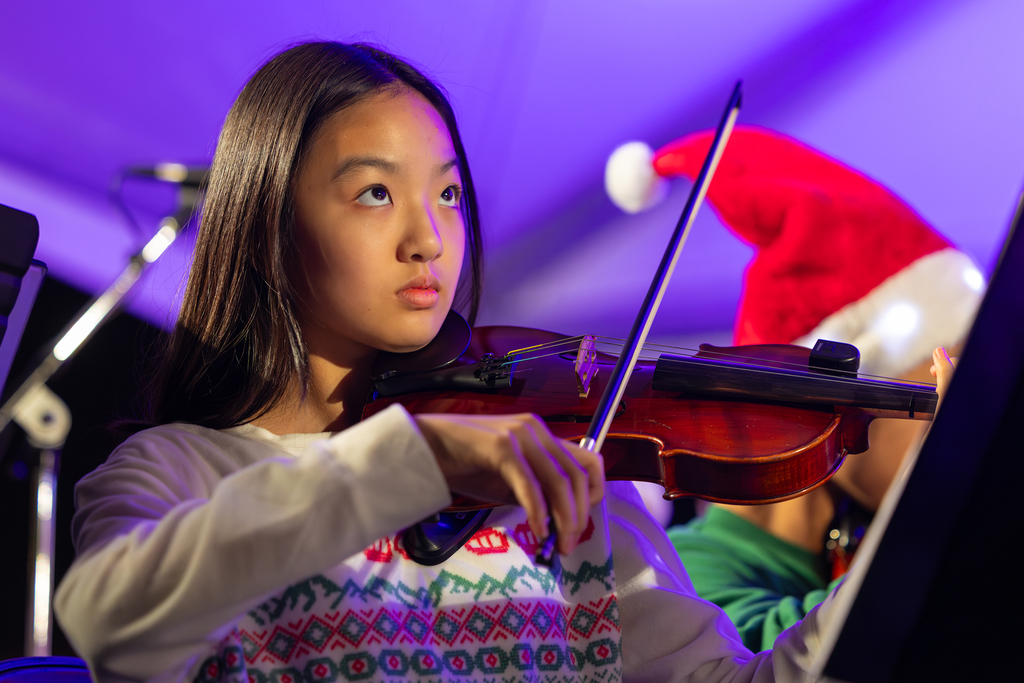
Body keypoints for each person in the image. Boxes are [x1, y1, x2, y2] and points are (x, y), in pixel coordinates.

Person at [53, 43, 832, 683]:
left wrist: (923, 523)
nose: (428, 238)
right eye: (373, 194)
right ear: (270, 224)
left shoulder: (553, 466)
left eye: (450, 195)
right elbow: (109, 625)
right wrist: (412, 458)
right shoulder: (178, 470)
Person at [605, 126, 982, 652]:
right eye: (946, 397)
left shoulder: (856, 535)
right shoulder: (677, 574)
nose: (975, 437)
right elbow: (795, 654)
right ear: (842, 410)